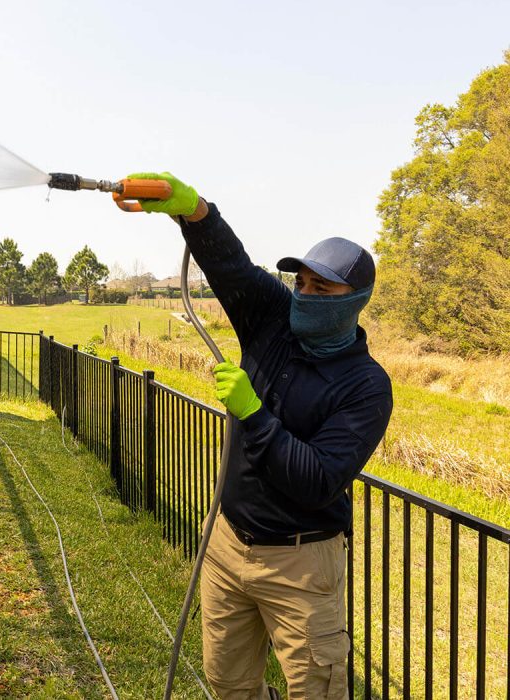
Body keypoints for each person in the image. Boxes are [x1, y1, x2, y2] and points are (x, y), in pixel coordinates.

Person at [129, 172, 393, 700]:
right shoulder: (272, 317)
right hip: (226, 546)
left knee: (315, 691)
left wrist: (252, 412)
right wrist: (198, 212)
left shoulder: (367, 387)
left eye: (322, 288)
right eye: (301, 283)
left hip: (301, 565)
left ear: (354, 300)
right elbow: (233, 269)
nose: (305, 295)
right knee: (229, 684)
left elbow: (317, 480)